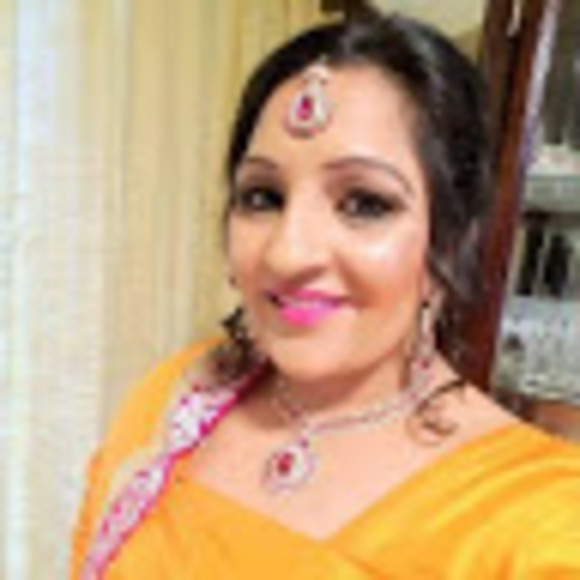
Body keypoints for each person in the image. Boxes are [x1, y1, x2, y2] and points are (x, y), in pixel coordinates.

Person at [71, 9, 580, 579]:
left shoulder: (542, 526)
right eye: (263, 197)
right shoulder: (170, 401)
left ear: (452, 238)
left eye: (364, 203)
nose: (287, 254)